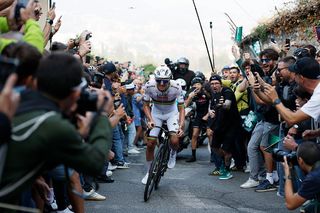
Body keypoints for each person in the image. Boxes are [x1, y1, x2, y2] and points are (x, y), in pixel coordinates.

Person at [0, 53, 113, 204]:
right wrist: (102, 115)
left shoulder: (21, 101)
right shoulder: (52, 123)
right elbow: (95, 163)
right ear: (74, 93)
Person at [141, 65, 185, 184]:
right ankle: (149, 172)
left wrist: (181, 126)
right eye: (158, 81)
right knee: (150, 144)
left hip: (171, 113)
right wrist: (150, 120)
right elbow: (145, 105)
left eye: (165, 81)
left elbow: (181, 108)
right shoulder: (149, 86)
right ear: (155, 79)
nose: (161, 84)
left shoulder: (176, 86)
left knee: (175, 140)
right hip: (156, 113)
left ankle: (173, 152)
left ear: (169, 79)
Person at [264, 57, 320, 126]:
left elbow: (292, 119)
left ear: (301, 78)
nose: (293, 76)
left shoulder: (318, 96)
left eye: (295, 74)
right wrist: (316, 133)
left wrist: (275, 99)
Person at [207, 75, 241, 180]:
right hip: (220, 124)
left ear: (221, 84)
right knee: (214, 146)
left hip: (231, 125)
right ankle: (223, 163)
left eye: (216, 83)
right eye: (212, 84)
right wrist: (211, 111)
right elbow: (214, 108)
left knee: (226, 150)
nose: (214, 85)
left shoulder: (227, 92)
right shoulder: (214, 94)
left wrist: (222, 105)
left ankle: (227, 170)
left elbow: (227, 105)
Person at [283, 141, 320, 211]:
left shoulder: (314, 177)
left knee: (306, 209)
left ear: (300, 160)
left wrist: (287, 173)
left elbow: (290, 204)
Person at [185, 77, 211, 162]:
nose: (196, 86)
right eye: (194, 85)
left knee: (209, 133)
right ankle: (193, 156)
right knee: (194, 134)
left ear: (201, 85)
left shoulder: (206, 91)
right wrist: (190, 97)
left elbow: (212, 101)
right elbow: (185, 105)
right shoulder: (191, 93)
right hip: (199, 115)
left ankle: (214, 156)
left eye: (198, 84)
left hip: (208, 114)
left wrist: (207, 115)